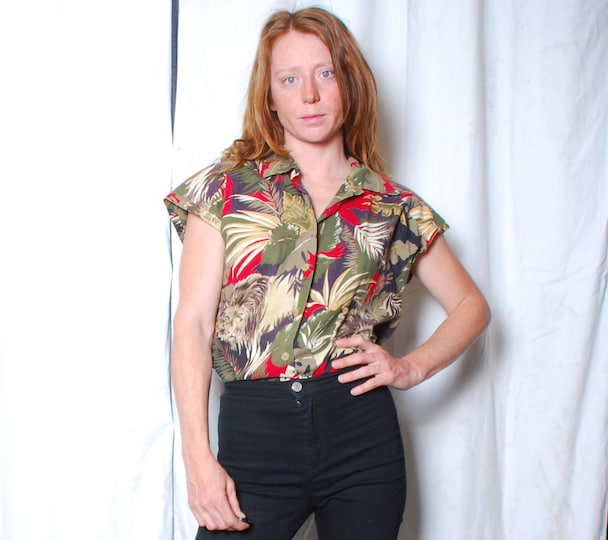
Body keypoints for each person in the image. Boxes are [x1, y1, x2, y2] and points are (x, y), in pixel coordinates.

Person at [164, 6, 490, 539]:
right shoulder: (224, 190)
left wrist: (410, 368)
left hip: (361, 440)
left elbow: (471, 306)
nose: (310, 95)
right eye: (290, 79)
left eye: (325, 73)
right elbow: (193, 323)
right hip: (254, 438)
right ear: (270, 97)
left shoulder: (392, 206)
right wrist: (197, 458)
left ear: (349, 84)